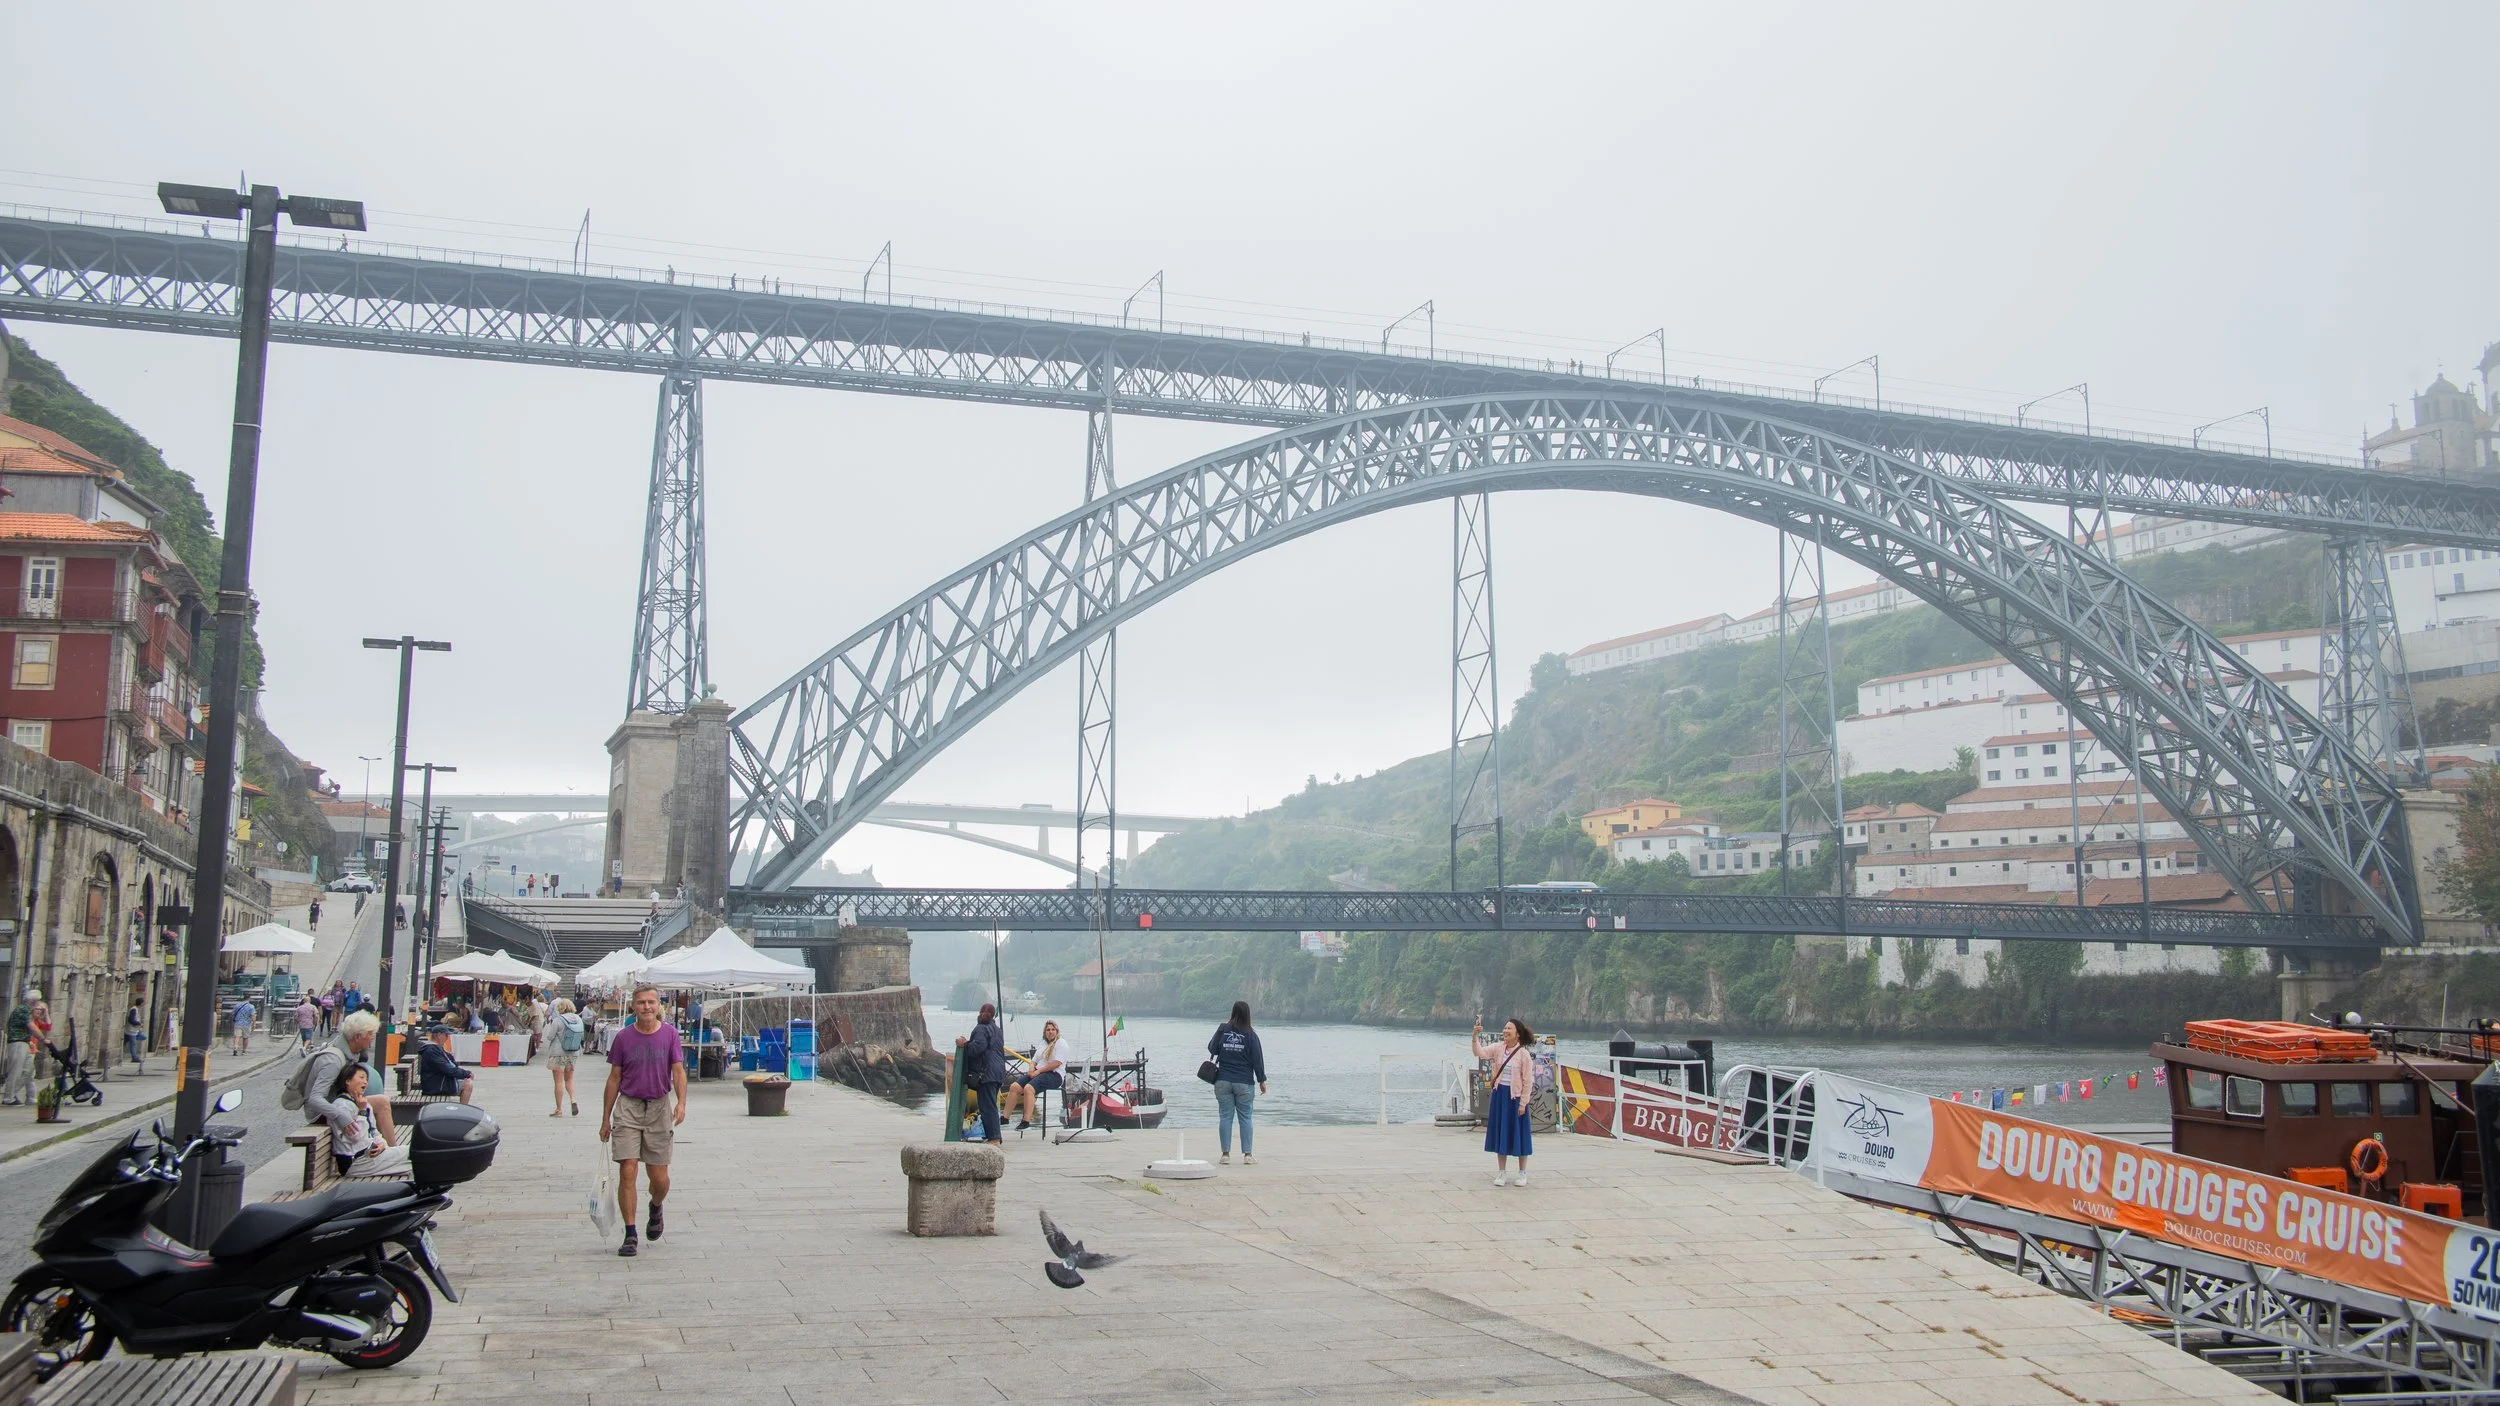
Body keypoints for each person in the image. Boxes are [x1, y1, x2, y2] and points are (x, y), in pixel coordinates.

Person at [600, 984, 685, 1258]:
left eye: (651, 1002)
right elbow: (614, 1078)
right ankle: (630, 1232)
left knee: (659, 1179)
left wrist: (681, 1102)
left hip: (659, 1108)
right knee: (628, 1169)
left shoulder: (670, 1035)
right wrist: (605, 1118)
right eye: (641, 1003)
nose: (647, 1007)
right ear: (634, 1006)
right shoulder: (624, 1038)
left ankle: (656, 1206)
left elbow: (678, 1071)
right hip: (628, 1107)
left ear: (658, 1005)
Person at [297, 1010, 402, 1167]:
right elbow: (314, 1099)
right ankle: (392, 1154)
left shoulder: (346, 1052)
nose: (371, 1039)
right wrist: (341, 1116)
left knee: (373, 1102)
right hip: (324, 1112)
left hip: (340, 1105)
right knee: (381, 1102)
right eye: (370, 1034)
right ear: (357, 1036)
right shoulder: (333, 1060)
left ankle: (386, 1150)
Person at [1473, 1016, 1537, 1187]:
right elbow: (1480, 1053)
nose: (1505, 1031)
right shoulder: (1498, 1048)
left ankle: (1522, 1173)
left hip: (1515, 1098)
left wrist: (1523, 1103)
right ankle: (1501, 1172)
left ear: (1518, 1034)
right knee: (1501, 1133)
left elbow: (1527, 1081)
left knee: (1520, 1135)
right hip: (1500, 1095)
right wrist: (1475, 1036)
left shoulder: (1524, 1055)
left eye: (1509, 1029)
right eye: (1504, 1028)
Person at [322, 1063, 409, 1179]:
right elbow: (356, 1136)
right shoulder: (342, 1106)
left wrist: (382, 1144)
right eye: (361, 1077)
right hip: (356, 1163)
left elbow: (374, 1132)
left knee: (414, 1153)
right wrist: (362, 1112)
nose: (365, 1082)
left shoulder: (363, 1103)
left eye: (367, 1079)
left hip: (369, 1157)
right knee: (414, 1155)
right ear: (347, 1081)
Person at [1207, 1001, 1268, 1165]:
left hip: (1223, 1081)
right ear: (1248, 1014)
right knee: (1246, 1117)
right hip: (1244, 1082)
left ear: (1233, 1012)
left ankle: (1225, 1155)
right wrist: (1262, 1080)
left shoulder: (1223, 1029)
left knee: (1225, 1117)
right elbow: (1257, 1060)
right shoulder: (1251, 1035)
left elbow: (1212, 1048)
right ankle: (1248, 1155)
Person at [953, 1004, 1006, 1144]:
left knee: (987, 1106)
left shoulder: (980, 1028)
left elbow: (978, 1047)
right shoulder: (998, 1030)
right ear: (993, 1015)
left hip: (986, 1072)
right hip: (998, 1071)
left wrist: (964, 1044)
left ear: (980, 1012)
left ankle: (994, 1138)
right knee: (991, 1104)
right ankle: (995, 1136)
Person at [1005, 1019, 1068, 1132]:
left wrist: (1038, 1072)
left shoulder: (1061, 1043)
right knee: (1014, 1087)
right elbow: (1034, 1060)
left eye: (1053, 1030)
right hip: (1038, 1071)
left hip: (1054, 1075)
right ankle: (1005, 1118)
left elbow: (1057, 1063)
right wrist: (1030, 1069)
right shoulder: (1043, 1044)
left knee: (1029, 1088)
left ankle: (1026, 1121)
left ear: (1057, 1031)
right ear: (1045, 1032)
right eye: (1048, 1030)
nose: (1050, 1032)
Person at [547, 997, 585, 1117]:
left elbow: (550, 1036)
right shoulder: (578, 1019)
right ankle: (573, 1099)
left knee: (558, 1082)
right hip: (573, 1053)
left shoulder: (558, 1020)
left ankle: (559, 1109)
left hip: (558, 1053)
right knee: (569, 1079)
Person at [416, 1025, 474, 1102]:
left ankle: (462, 1109)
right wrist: (467, 1073)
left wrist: (448, 1054)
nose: (447, 1038)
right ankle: (462, 1110)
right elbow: (448, 1069)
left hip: (438, 1081)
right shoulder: (432, 1051)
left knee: (466, 1081)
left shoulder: (436, 1049)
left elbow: (452, 1066)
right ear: (439, 1035)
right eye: (446, 1035)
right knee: (468, 1085)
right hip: (436, 1086)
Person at [5, 989, 37, 1104]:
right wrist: (44, 1039)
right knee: (16, 1071)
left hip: (25, 1042)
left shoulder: (27, 1010)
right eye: (37, 1002)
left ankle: (11, 1093)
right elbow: (32, 1027)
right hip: (18, 1042)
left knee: (28, 1070)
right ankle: (9, 1098)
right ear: (33, 1001)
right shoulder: (22, 1009)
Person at [124, 996, 147, 1074]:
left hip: (135, 1030)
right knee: (133, 1044)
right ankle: (134, 1057)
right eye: (143, 1003)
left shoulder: (136, 1009)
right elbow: (131, 1020)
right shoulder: (134, 1009)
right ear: (141, 1003)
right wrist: (139, 1023)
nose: (144, 1004)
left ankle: (128, 1045)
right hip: (131, 1030)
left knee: (143, 1036)